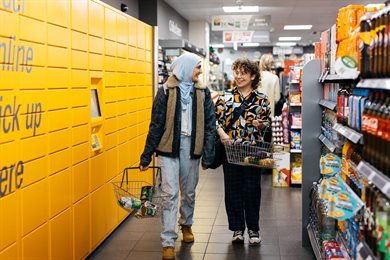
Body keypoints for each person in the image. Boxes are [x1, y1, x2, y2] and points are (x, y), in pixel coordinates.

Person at [139, 53, 216, 260]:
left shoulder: (203, 92)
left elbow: (210, 124)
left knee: (189, 192)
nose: (200, 71)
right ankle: (168, 241)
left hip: (192, 147)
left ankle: (186, 224)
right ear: (186, 67)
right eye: (197, 67)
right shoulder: (165, 91)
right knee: (170, 193)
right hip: (168, 148)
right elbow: (155, 124)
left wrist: (208, 154)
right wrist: (146, 156)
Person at [215, 58, 271, 246]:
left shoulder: (262, 100)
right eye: (236, 73)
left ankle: (253, 229)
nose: (238, 77)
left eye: (243, 73)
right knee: (233, 190)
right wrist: (222, 133)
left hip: (253, 151)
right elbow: (215, 120)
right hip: (230, 150)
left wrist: (261, 124)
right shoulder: (225, 97)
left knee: (252, 190)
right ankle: (237, 229)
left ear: (252, 76)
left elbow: (267, 123)